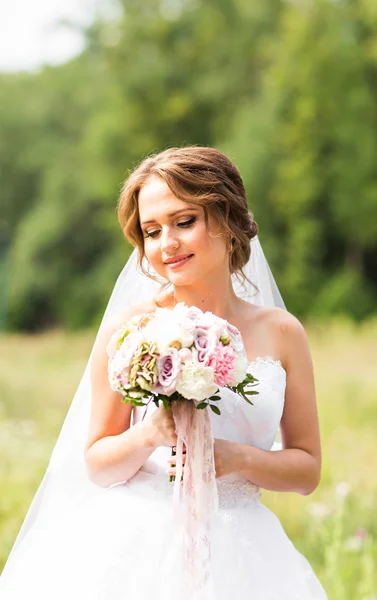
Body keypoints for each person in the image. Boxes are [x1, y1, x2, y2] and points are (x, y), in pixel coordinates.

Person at [0, 146, 328, 599]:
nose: (166, 244)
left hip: (247, 552)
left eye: (184, 222)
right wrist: (150, 433)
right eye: (151, 231)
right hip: (141, 544)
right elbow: (97, 461)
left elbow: (307, 469)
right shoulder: (131, 328)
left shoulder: (283, 332)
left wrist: (239, 460)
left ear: (227, 219)